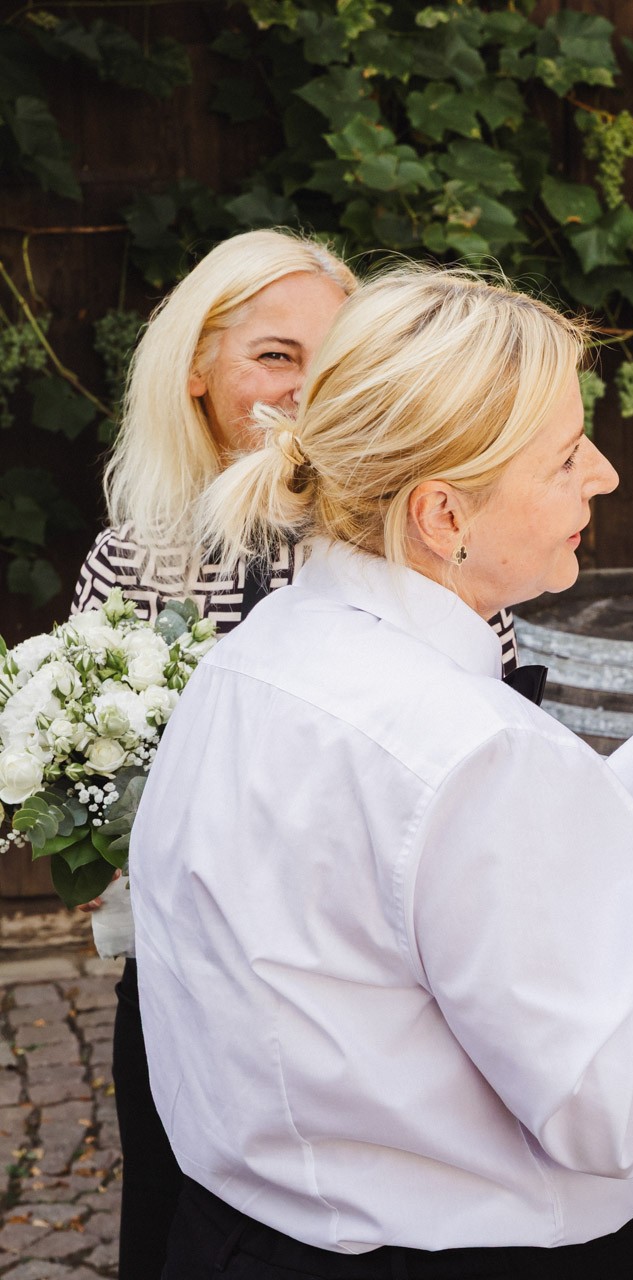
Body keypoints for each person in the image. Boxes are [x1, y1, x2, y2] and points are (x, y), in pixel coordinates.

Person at [129, 266, 633, 1277]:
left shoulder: (255, 660)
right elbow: (614, 1101)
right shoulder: (468, 743)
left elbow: (405, 917)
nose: (606, 473)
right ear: (444, 515)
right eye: (567, 455)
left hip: (234, 1241)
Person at [64, 228, 373, 1280]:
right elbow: (98, 777)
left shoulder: (398, 538)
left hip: (355, 990)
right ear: (197, 367)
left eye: (329, 363)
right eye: (274, 356)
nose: (302, 388)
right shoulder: (133, 555)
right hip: (186, 978)